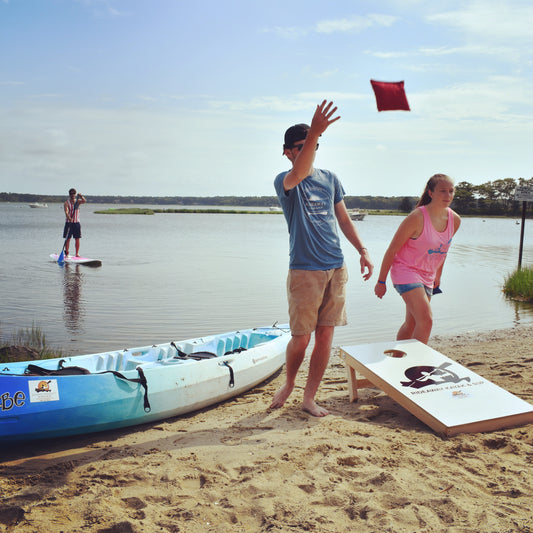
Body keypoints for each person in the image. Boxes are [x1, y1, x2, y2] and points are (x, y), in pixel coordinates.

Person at [271, 100, 374, 417]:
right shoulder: (285, 181)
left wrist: (363, 251)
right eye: (299, 148)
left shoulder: (330, 178)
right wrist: (315, 130)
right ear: (287, 151)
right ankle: (289, 383)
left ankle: (308, 398)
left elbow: (343, 220)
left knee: (325, 336)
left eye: (312, 146)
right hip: (305, 272)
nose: (306, 152)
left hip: (335, 267)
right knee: (300, 341)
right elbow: (300, 171)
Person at [374, 174, 461, 344]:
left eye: (451, 191)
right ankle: (416, 367)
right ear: (431, 193)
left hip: (427, 275)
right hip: (405, 271)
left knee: (412, 322)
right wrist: (381, 281)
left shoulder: (454, 220)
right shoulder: (417, 217)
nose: (448, 196)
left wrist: (438, 275)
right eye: (443, 191)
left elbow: (443, 251)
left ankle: (398, 357)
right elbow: (392, 251)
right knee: (426, 320)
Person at [63, 188, 86, 257]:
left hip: (76, 223)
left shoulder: (78, 201)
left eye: (74, 193)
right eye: (71, 194)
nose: (72, 195)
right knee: (68, 238)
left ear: (75, 194)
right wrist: (68, 217)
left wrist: (81, 196)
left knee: (77, 239)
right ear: (69, 194)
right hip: (69, 223)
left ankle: (77, 254)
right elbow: (66, 211)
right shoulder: (66, 203)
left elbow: (84, 201)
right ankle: (67, 253)